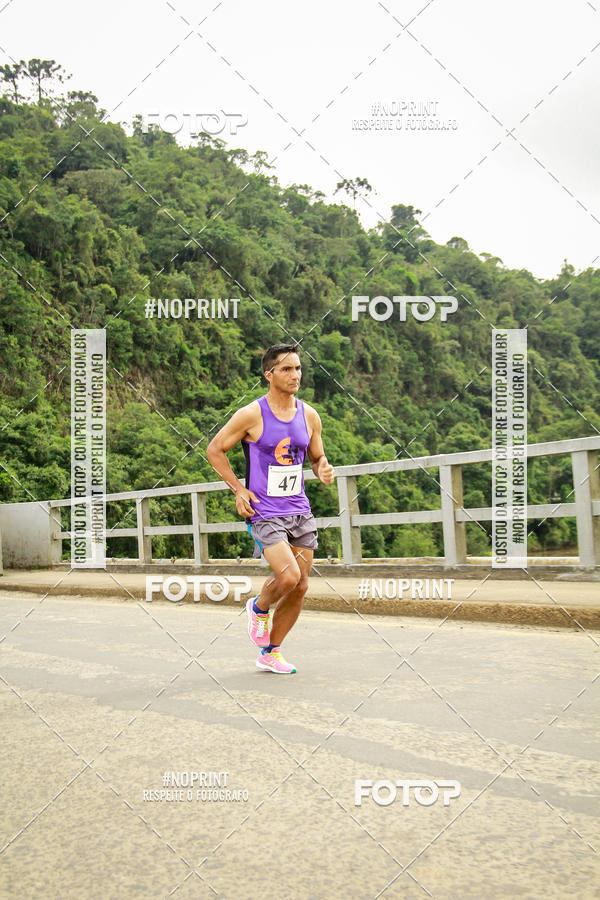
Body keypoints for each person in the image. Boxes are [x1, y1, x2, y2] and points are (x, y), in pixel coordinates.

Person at [206, 343, 335, 674]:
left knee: (301, 585)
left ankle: (271, 651)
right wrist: (239, 489)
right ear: (269, 374)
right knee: (289, 576)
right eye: (287, 369)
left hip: (299, 510)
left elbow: (317, 456)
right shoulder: (252, 414)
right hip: (264, 511)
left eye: (298, 368)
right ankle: (259, 607)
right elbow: (215, 449)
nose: (295, 375)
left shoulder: (309, 415)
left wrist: (322, 467)